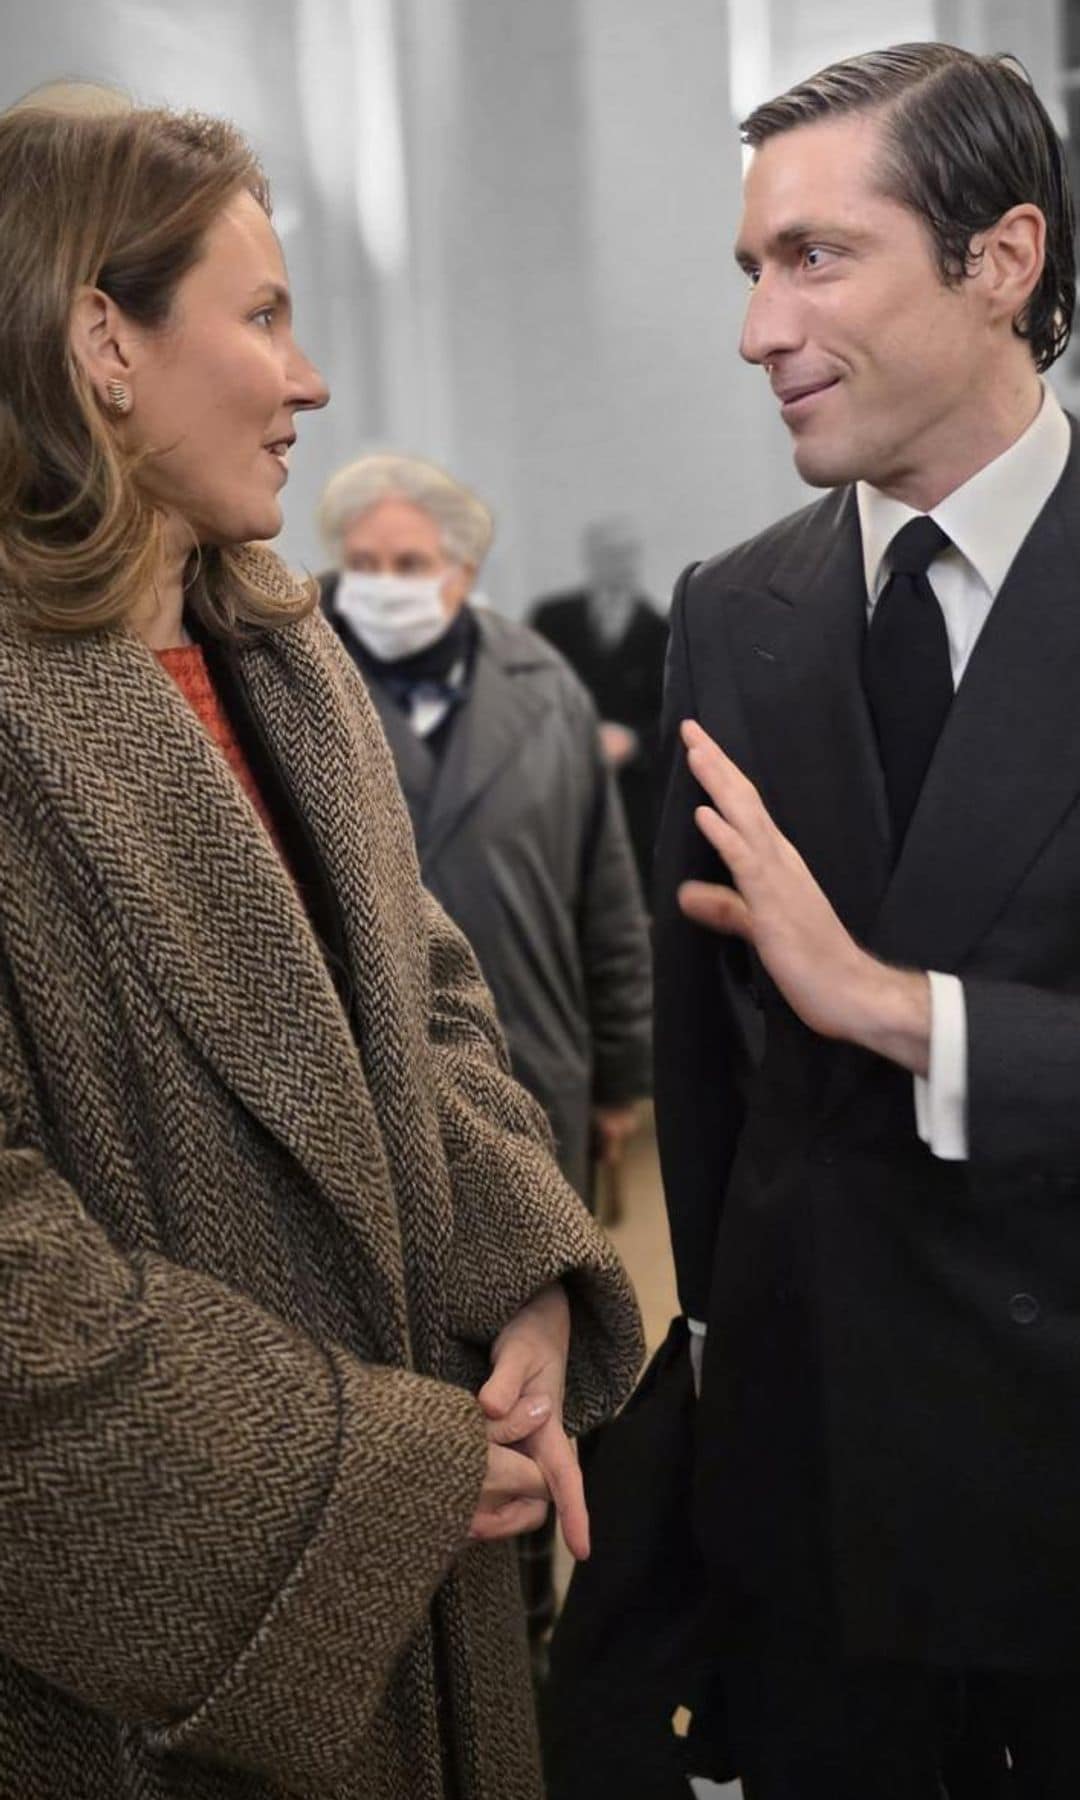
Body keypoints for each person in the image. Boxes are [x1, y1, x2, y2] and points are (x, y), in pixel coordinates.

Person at [0, 89, 643, 1800]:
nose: (311, 384)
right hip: (154, 1690)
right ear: (104, 346)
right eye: (265, 317)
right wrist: (372, 1474)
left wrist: (520, 1273)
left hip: (428, 1593)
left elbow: (426, 1000)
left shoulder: (279, 653)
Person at [653, 42, 1080, 1800]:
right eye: (754, 268)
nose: (761, 329)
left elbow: (836, 1004)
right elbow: (705, 1084)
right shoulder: (728, 610)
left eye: (817, 257)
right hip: (812, 1518)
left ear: (1003, 260)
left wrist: (904, 1010)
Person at [317, 456, 652, 1201]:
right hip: (365, 1084)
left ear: (462, 572)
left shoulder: (547, 689)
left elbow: (606, 898)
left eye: (410, 564)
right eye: (363, 564)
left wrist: (619, 1076)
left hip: (531, 1057)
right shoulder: (297, 687)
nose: (383, 585)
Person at [530, 516, 668, 899]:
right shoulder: (552, 620)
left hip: (634, 795)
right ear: (591, 556)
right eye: (610, 552)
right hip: (560, 784)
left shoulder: (664, 630)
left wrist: (633, 741)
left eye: (627, 553)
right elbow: (524, 694)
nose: (620, 562)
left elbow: (677, 715)